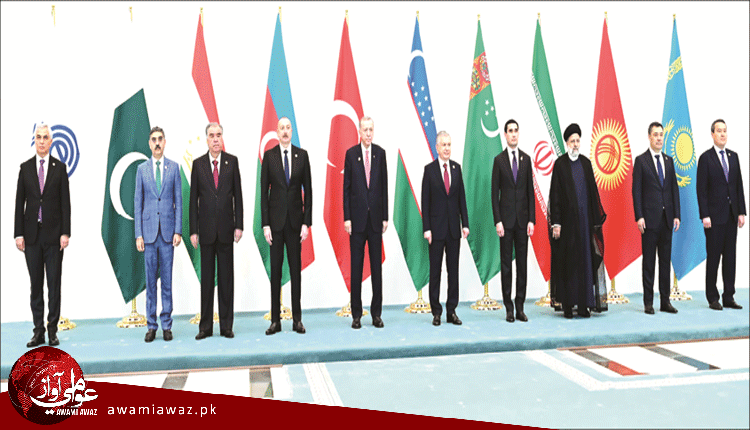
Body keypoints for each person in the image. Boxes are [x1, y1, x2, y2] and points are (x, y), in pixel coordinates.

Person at [14, 123, 71, 347]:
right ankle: (38, 331)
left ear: (51, 141)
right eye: (38, 137)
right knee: (35, 285)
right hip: (31, 238)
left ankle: (52, 331)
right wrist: (18, 233)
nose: (41, 141)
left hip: (54, 237)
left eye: (45, 137)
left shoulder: (60, 168)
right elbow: (19, 203)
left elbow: (65, 204)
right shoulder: (25, 168)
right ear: (34, 140)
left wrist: (65, 232)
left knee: (54, 285)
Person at [190, 123, 243, 340]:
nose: (215, 139)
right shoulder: (198, 164)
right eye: (211, 135)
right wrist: (193, 230)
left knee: (226, 281)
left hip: (226, 230)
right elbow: (193, 200)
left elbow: (238, 196)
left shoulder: (232, 162)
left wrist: (239, 225)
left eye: (218, 135)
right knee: (207, 281)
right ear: (206, 139)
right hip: (205, 232)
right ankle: (205, 327)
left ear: (222, 138)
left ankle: (226, 326)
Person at [549, 123, 607, 319]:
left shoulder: (586, 163)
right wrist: (556, 223)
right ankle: (567, 305)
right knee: (568, 264)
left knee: (585, 263)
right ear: (566, 143)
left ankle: (584, 305)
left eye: (577, 140)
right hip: (567, 226)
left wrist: (595, 221)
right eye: (572, 141)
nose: (575, 144)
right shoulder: (560, 165)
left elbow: (593, 193)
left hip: (584, 225)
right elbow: (555, 195)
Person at [261, 117, 313, 335]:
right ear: (277, 131)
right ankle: (275, 321)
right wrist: (265, 224)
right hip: (275, 225)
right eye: (281, 128)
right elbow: (263, 193)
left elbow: (308, 191)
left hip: (295, 224)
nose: (284, 131)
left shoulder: (302, 156)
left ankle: (297, 320)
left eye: (288, 128)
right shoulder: (269, 156)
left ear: (292, 132)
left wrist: (306, 223)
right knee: (275, 274)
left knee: (295, 273)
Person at [134, 126, 182, 342]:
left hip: (168, 233)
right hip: (149, 233)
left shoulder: (174, 168)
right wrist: (138, 234)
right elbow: (137, 203)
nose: (157, 143)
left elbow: (178, 201)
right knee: (151, 282)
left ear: (165, 142)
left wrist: (178, 230)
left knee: (167, 282)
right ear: (149, 143)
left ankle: (167, 325)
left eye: (160, 139)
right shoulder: (142, 170)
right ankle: (151, 325)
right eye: (153, 139)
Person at [343, 116, 388, 329]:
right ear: (359, 132)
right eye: (365, 130)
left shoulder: (381, 153)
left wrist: (385, 216)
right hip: (357, 222)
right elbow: (346, 189)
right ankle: (356, 315)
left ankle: (376, 314)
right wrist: (347, 217)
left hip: (376, 221)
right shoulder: (351, 155)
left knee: (376, 270)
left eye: (371, 130)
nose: (368, 134)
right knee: (357, 269)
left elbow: (384, 187)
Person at [696, 119, 746, 311]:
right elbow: (701, 190)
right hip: (713, 218)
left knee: (730, 258)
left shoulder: (734, 157)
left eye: (725, 130)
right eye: (719, 131)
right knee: (714, 258)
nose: (723, 134)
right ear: (712, 134)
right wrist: (705, 215)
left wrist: (741, 211)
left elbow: (738, 186)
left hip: (731, 216)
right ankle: (712, 297)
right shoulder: (706, 158)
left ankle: (729, 296)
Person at [422, 131, 469, 326]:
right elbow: (425, 201)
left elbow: (461, 198)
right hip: (435, 230)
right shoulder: (429, 170)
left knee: (453, 272)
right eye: (444, 145)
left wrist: (465, 224)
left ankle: (451, 311)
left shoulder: (457, 168)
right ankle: (436, 312)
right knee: (435, 272)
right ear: (437, 147)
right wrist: (427, 228)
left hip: (453, 230)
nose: (447, 148)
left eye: (449, 144)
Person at [632, 122, 680, 315]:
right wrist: (639, 216)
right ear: (649, 137)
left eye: (661, 135)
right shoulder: (641, 161)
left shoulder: (669, 161)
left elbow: (674, 189)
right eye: (656, 135)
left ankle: (665, 302)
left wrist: (677, 215)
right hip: (649, 221)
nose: (659, 138)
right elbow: (636, 191)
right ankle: (648, 302)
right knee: (649, 263)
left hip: (667, 219)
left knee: (665, 263)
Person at [491, 119, 535, 323]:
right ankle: (508, 308)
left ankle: (520, 307)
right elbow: (494, 194)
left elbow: (530, 192)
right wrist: (498, 221)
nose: (514, 134)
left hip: (523, 222)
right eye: (510, 131)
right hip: (506, 223)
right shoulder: (499, 161)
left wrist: (532, 220)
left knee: (522, 267)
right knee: (507, 266)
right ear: (505, 135)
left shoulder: (526, 160)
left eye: (516, 130)